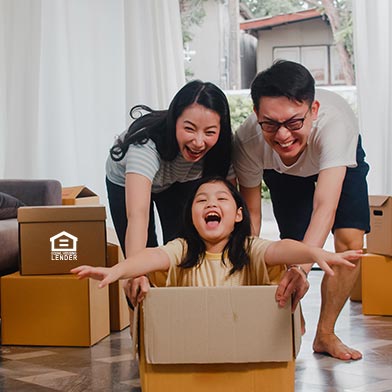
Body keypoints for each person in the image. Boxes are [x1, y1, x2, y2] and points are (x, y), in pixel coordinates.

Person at [233, 60, 370, 361]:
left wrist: (303, 269)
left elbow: (325, 207)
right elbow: (251, 218)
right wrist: (249, 263)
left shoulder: (335, 126)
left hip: (335, 158)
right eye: (270, 124)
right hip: (282, 171)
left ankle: (326, 333)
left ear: (314, 110)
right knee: (291, 245)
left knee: (349, 242)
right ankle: (292, 320)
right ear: (256, 114)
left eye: (294, 122)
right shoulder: (248, 140)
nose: (282, 135)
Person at [72, 177, 360, 294]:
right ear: (193, 217)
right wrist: (118, 270)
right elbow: (151, 255)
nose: (211, 203)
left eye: (221, 199)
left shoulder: (249, 248)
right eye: (201, 200)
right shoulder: (182, 249)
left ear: (237, 215)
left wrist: (314, 252)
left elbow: (281, 249)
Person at [105, 80, 233, 305]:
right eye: (189, 129)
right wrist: (136, 274)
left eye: (210, 132)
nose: (199, 142)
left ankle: (179, 317)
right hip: (126, 181)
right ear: (174, 122)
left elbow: (232, 209)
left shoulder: (222, 150)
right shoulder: (145, 147)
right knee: (142, 260)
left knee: (183, 248)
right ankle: (142, 330)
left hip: (178, 180)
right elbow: (138, 215)